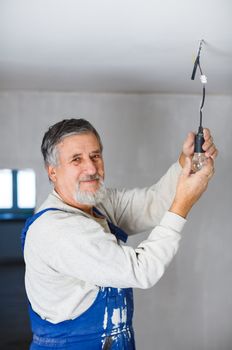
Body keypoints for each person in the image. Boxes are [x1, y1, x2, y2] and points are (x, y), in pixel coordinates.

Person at [22, 118, 217, 350]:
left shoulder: (97, 204)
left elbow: (154, 203)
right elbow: (140, 270)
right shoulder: (55, 229)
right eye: (77, 159)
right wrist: (183, 205)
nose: (92, 168)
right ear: (52, 172)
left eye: (95, 156)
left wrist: (186, 163)